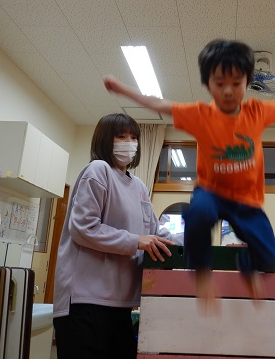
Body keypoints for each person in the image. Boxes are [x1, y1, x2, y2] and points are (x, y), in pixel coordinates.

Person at [103, 39, 275, 308]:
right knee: (199, 214)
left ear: (248, 82)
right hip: (211, 192)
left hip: (246, 200)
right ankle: (201, 271)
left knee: (273, 259)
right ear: (208, 84)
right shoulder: (201, 115)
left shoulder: (257, 112)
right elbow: (159, 105)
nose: (228, 90)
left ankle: (248, 265)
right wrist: (123, 90)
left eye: (236, 83)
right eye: (220, 83)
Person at [53, 113, 180, 359]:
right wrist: (135, 241)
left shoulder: (139, 186)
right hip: (85, 301)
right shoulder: (98, 170)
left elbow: (155, 233)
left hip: (120, 304)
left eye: (134, 138)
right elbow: (83, 228)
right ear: (105, 139)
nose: (129, 143)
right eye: (121, 137)